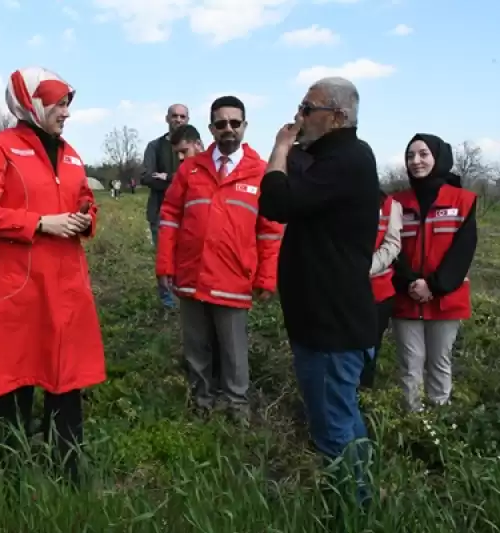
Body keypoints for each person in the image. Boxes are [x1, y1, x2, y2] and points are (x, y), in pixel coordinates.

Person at [0, 66, 106, 486]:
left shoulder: (72, 153)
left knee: (67, 380)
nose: (65, 112)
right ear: (31, 103)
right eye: (58, 103)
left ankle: (69, 470)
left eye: (67, 103)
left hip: (67, 286)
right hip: (18, 288)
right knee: (16, 377)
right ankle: (3, 476)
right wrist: (41, 222)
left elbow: (85, 201)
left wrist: (85, 219)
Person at [258, 77, 378, 506]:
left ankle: (351, 509)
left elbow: (276, 201)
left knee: (332, 429)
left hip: (331, 326)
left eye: (308, 109)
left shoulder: (348, 159)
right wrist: (299, 147)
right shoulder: (335, 157)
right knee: (343, 418)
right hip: (327, 319)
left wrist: (279, 148)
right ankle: (362, 497)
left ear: (338, 116)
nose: (298, 116)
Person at [156, 96, 283, 423]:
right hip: (192, 275)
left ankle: (237, 408)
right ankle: (203, 402)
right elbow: (169, 216)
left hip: (233, 279)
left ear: (244, 126)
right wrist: (165, 265)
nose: (228, 129)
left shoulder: (259, 173)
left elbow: (270, 230)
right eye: (221, 123)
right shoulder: (190, 169)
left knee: (233, 351)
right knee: (197, 346)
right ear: (211, 128)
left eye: (235, 123)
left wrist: (267, 277)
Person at [391, 134, 477, 412]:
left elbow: (463, 250)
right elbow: (391, 247)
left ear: (438, 157)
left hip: (445, 298)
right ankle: (412, 421)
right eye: (410, 155)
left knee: (440, 362)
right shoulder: (396, 202)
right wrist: (410, 283)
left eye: (423, 154)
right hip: (406, 297)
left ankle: (439, 422)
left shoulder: (463, 200)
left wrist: (435, 286)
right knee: (409, 364)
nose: (416, 161)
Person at [142, 104, 190, 308]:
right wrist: (179, 180)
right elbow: (147, 176)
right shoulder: (155, 146)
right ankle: (168, 301)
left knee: (186, 256)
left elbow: (197, 177)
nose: (178, 119)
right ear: (167, 118)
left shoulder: (195, 146)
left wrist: (168, 177)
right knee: (165, 256)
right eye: (174, 116)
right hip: (160, 211)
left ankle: (184, 296)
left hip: (188, 212)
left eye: (182, 116)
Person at [360, 190, 402, 389]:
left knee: (369, 347)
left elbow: (392, 244)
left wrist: (362, 268)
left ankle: (363, 393)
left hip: (378, 292)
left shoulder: (390, 206)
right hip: (338, 292)